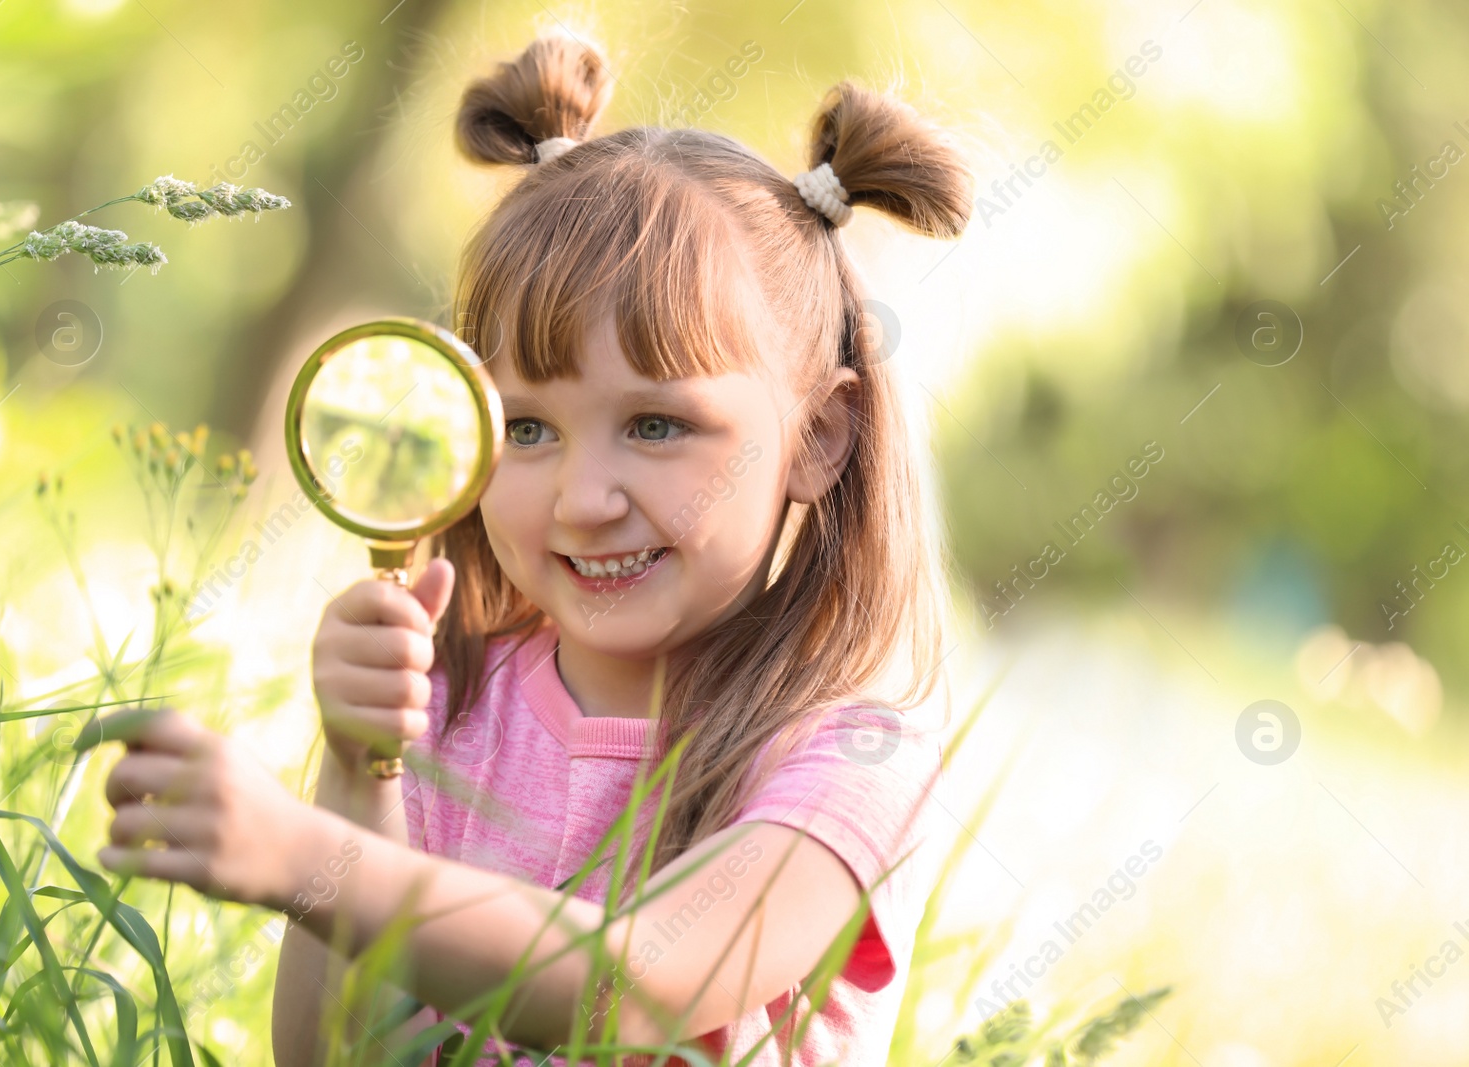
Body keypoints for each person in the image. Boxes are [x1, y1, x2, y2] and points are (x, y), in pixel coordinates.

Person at [90, 30, 973, 1067]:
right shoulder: (460, 710)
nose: (582, 500)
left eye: (655, 425)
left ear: (818, 437)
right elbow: (335, 1052)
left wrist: (305, 854)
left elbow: (635, 985)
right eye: (525, 428)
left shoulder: (844, 760)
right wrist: (356, 763)